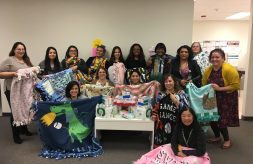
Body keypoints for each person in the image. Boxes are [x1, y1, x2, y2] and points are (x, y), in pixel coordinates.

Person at [202, 48, 240, 149]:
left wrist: (219, 89)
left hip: (226, 98)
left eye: (217, 57)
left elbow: (236, 85)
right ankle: (217, 136)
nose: (215, 59)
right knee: (212, 117)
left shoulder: (229, 69)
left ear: (223, 58)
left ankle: (227, 140)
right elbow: (204, 82)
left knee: (221, 119)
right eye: (212, 57)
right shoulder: (208, 70)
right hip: (212, 97)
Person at [0, 42, 33, 144]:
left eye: (23, 49)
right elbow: (0, 74)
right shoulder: (9, 59)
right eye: (18, 49)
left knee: (24, 109)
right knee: (15, 111)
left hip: (23, 90)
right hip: (11, 89)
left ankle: (24, 129)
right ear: (14, 50)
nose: (21, 51)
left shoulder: (26, 60)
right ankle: (16, 135)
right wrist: (14, 74)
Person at [152, 74, 188, 148]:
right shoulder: (160, 94)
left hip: (176, 124)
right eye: (166, 81)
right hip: (162, 125)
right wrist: (154, 115)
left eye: (170, 81)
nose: (168, 83)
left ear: (174, 82)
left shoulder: (181, 93)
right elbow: (156, 108)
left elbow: (187, 109)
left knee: (175, 148)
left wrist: (176, 101)